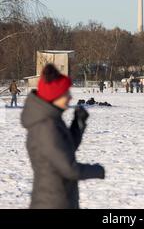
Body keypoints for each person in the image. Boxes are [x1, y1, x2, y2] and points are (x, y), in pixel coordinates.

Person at [21, 63, 105, 209]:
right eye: (66, 93)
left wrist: (77, 124)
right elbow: (69, 168)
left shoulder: (50, 120)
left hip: (59, 198)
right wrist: (97, 170)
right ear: (56, 96)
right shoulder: (46, 127)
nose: (70, 96)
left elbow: (65, 149)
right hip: (52, 202)